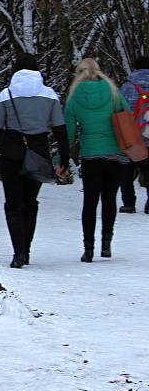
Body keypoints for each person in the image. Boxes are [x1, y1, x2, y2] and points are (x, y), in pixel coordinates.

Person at [0, 53, 69, 269]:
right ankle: (27, 249)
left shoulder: (7, 94)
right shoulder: (49, 95)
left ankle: (18, 251)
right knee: (30, 203)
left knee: (12, 203)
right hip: (38, 151)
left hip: (11, 152)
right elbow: (60, 129)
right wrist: (64, 158)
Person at [65, 59, 131, 262]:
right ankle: (106, 244)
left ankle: (88, 249)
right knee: (110, 199)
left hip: (91, 154)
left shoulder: (74, 97)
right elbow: (127, 115)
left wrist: (62, 158)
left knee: (90, 202)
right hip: (114, 153)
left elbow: (68, 132)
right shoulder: (113, 92)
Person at [119, 55, 149, 213]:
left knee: (126, 168)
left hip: (131, 134)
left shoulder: (128, 86)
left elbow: (118, 108)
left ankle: (129, 203)